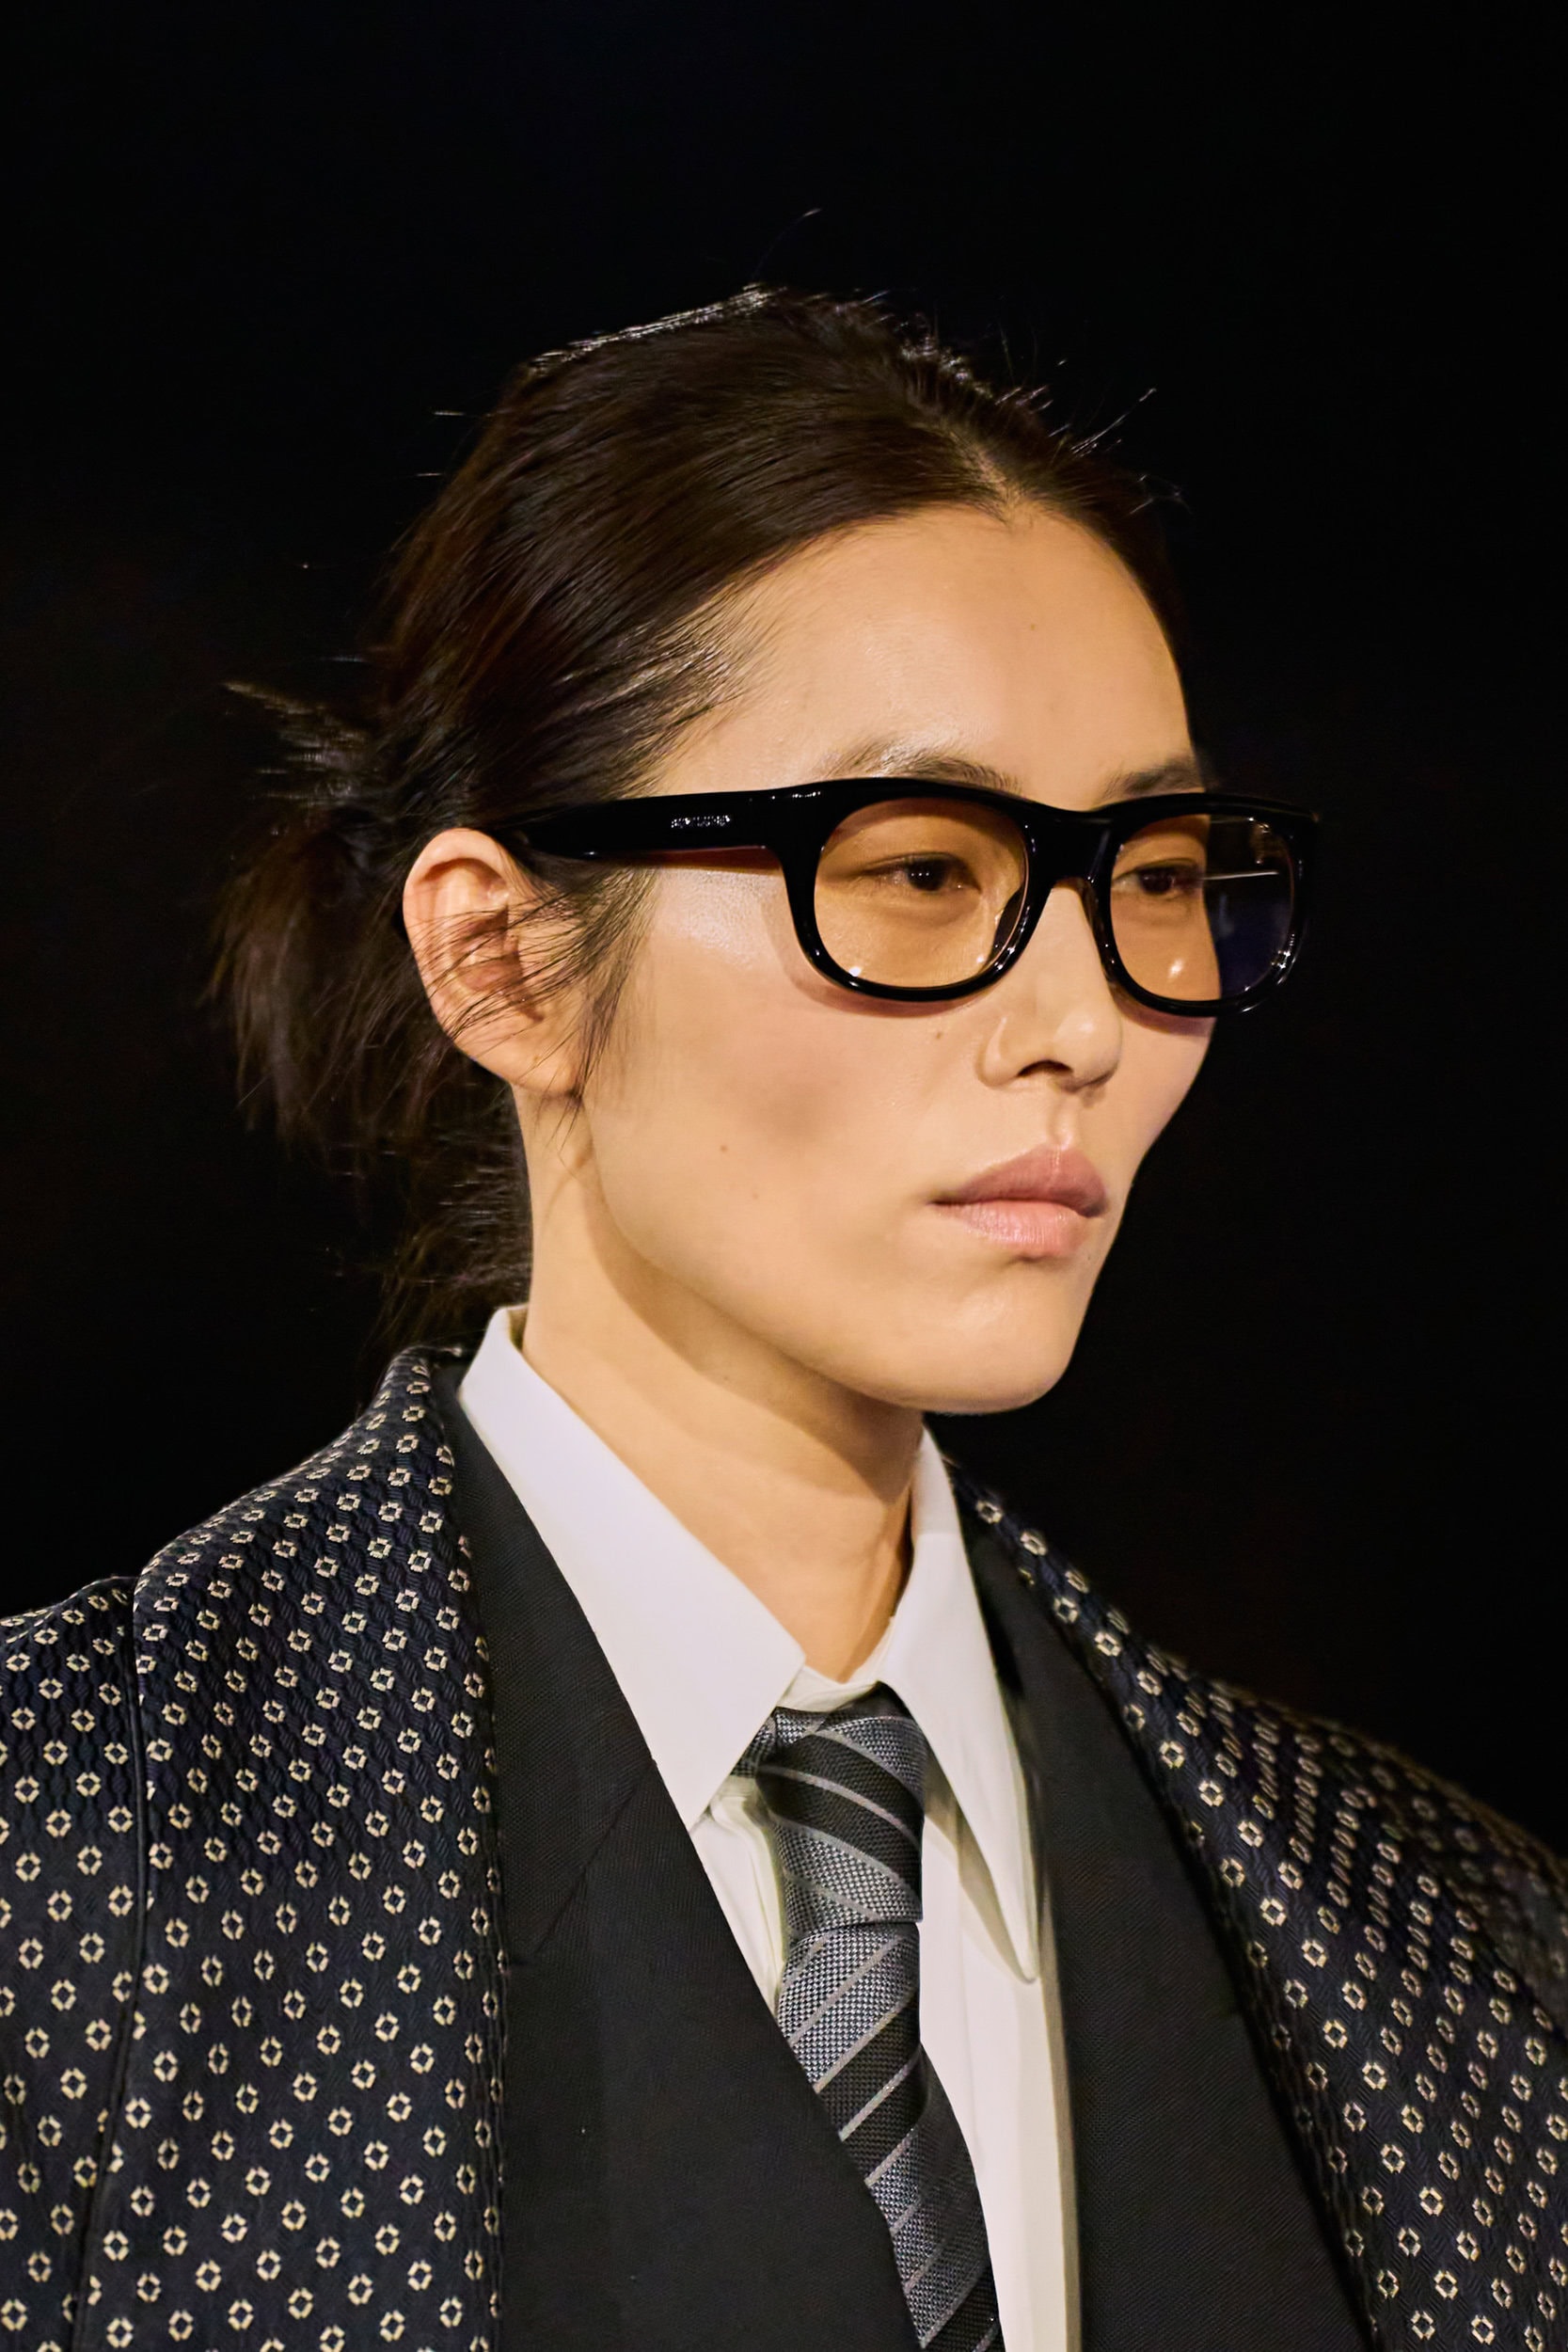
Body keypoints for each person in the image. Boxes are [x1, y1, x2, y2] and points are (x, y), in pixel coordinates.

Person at [2, 290, 1561, 2352]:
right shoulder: (68, 1859)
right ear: (503, 960)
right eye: (917, 870)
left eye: (1156, 873)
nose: (1084, 1020)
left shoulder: (1460, 1955)